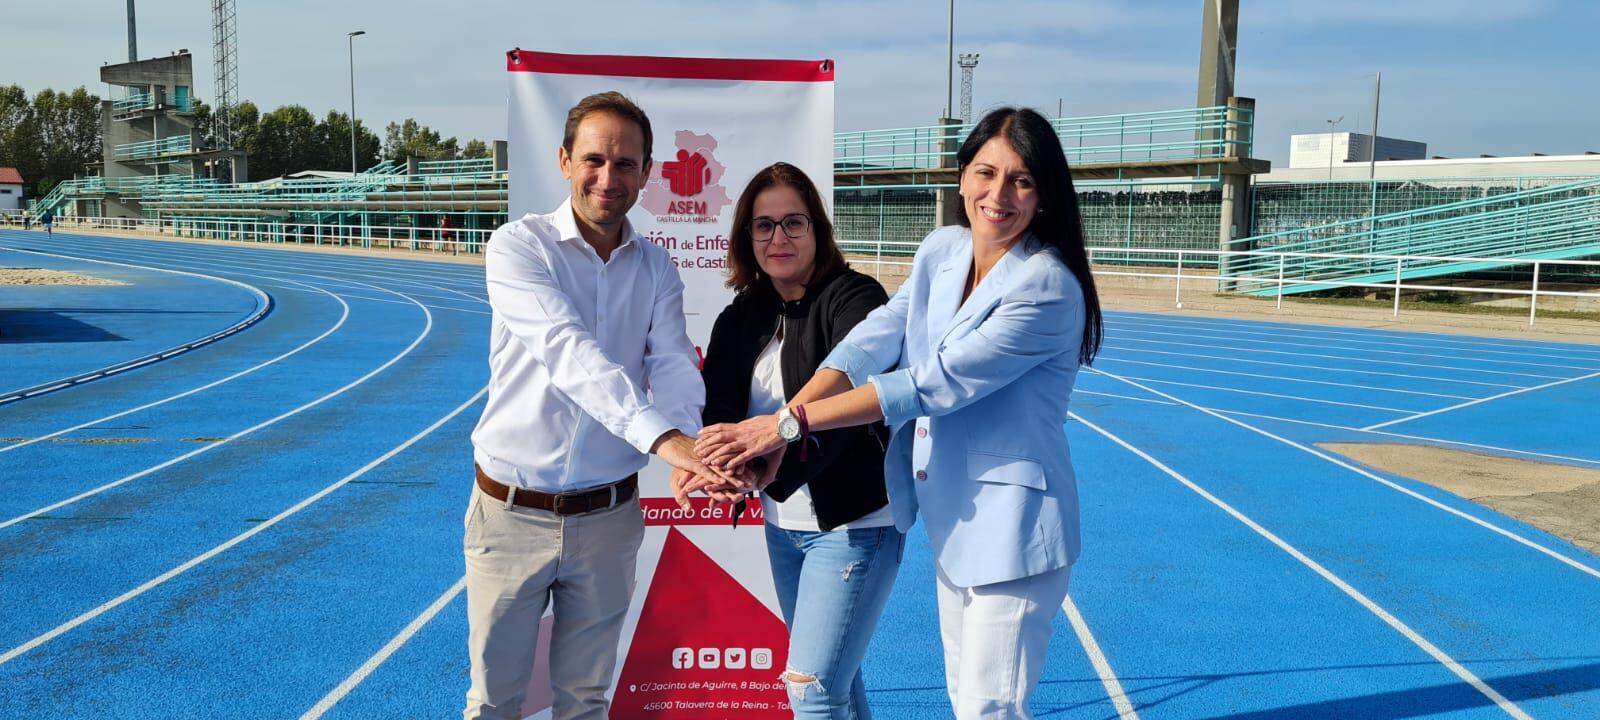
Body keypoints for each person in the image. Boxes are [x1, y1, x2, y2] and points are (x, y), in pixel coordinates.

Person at [691, 107, 1104, 719]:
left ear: (1044, 195)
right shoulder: (943, 250)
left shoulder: (1048, 286)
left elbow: (931, 385)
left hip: (1014, 531)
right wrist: (788, 423)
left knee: (988, 710)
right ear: (962, 178)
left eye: (1021, 180)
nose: (998, 194)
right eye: (986, 173)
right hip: (955, 521)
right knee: (965, 700)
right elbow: (874, 339)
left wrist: (786, 424)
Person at [464, 91, 737, 720]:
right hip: (512, 512)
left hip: (610, 519)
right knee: (495, 703)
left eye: (624, 164)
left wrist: (689, 448)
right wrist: (668, 443)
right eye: (593, 160)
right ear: (564, 161)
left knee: (586, 701)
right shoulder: (518, 248)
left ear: (646, 172)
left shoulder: (657, 267)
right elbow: (569, 354)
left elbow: (671, 364)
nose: (607, 178)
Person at [676, 162, 899, 719]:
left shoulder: (855, 297)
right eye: (764, 225)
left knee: (812, 691)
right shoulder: (740, 315)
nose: (779, 238)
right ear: (746, 238)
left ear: (818, 230)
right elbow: (721, 409)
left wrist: (772, 455)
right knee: (838, 685)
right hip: (783, 527)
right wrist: (716, 464)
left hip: (853, 526)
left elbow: (848, 403)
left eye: (793, 223)